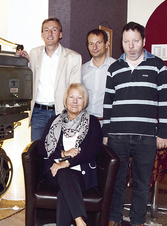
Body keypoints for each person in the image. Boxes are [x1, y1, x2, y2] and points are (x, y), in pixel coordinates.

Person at [102, 22, 167, 226]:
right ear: (122, 43)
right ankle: (114, 217)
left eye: (135, 41)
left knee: (141, 183)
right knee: (117, 182)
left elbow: (165, 102)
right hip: (117, 136)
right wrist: (106, 132)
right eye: (126, 41)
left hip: (146, 136)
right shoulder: (114, 68)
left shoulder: (158, 66)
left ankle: (138, 220)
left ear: (144, 41)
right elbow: (108, 103)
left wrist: (163, 133)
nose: (131, 46)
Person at [38, 83, 103, 226]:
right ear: (66, 100)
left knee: (64, 192)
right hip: (55, 172)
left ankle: (78, 221)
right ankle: (79, 221)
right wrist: (62, 153)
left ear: (84, 102)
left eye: (79, 98)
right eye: (71, 97)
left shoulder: (92, 122)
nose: (75, 101)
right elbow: (42, 148)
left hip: (81, 172)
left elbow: (92, 150)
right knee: (64, 174)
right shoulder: (54, 121)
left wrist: (66, 162)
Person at [17, 17, 82, 141]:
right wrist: (23, 61)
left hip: (61, 113)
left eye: (54, 30)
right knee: (36, 154)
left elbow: (75, 92)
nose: (50, 34)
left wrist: (71, 116)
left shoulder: (73, 58)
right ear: (42, 34)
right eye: (46, 30)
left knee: (60, 154)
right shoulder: (34, 53)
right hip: (38, 113)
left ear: (60, 34)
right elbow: (28, 78)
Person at [81, 29, 115, 121]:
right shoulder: (82, 69)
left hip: (108, 122)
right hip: (86, 122)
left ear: (107, 44)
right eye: (91, 44)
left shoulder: (116, 68)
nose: (94, 47)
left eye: (98, 43)